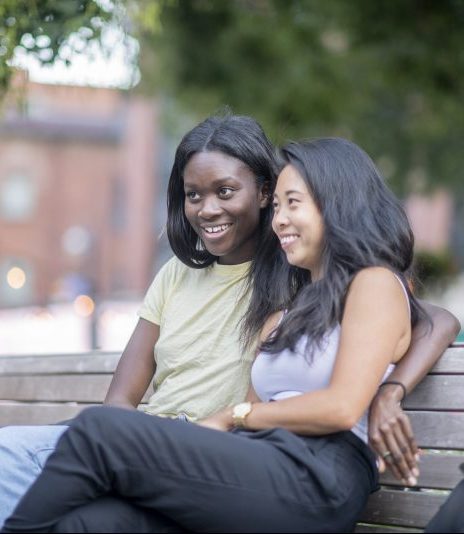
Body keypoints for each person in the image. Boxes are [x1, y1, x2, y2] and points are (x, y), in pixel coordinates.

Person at [0, 115, 458, 530]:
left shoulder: (370, 283)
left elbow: (346, 401)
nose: (279, 220)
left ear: (335, 203)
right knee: (95, 523)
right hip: (257, 460)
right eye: (277, 207)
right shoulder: (282, 316)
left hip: (319, 474)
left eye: (290, 203)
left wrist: (389, 392)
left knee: (97, 432)